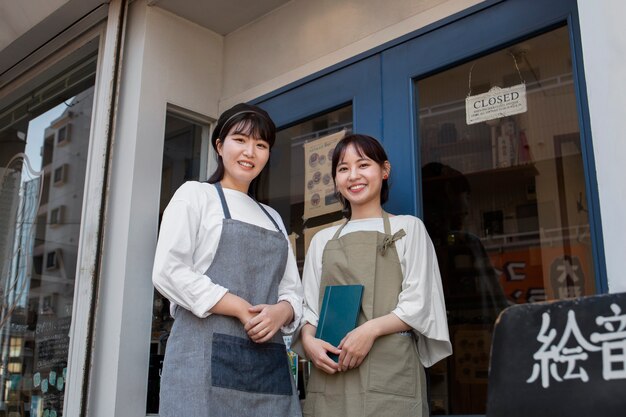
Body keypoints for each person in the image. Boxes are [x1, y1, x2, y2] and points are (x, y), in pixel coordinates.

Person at [152, 103, 303, 416]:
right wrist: (237, 307)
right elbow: (169, 271)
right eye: (240, 140)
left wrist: (281, 312)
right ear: (220, 146)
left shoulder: (273, 217)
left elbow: (292, 290)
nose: (250, 152)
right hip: (200, 361)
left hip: (267, 366)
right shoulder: (196, 195)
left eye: (261, 145)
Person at [297, 134, 452, 417]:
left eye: (363, 164)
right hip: (332, 371)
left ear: (385, 170)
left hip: (390, 371)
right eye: (343, 169)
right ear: (335, 180)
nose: (353, 176)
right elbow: (309, 310)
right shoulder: (323, 239)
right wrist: (308, 340)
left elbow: (420, 302)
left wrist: (369, 330)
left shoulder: (409, 228)